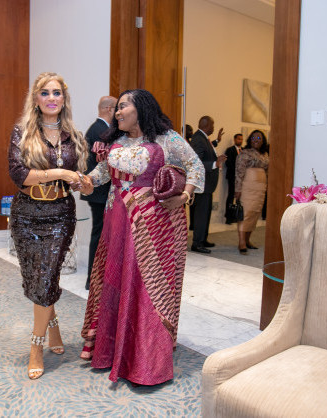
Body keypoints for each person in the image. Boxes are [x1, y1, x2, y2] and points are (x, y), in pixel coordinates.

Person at [80, 89, 204, 386]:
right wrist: (85, 181)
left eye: (123, 106)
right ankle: (112, 351)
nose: (117, 112)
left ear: (141, 109)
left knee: (145, 284)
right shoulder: (117, 141)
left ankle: (146, 361)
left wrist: (185, 196)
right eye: (117, 108)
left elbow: (195, 166)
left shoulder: (167, 139)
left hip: (153, 225)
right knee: (115, 279)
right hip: (116, 221)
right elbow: (102, 173)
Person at [8, 72, 93, 380]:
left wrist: (84, 184)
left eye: (57, 93)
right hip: (26, 214)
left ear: (64, 99)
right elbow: (19, 174)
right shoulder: (22, 132)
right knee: (38, 278)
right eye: (45, 93)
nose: (52, 98)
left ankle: (36, 346)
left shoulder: (75, 136)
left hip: (60, 215)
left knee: (45, 277)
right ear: (36, 99)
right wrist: (59, 172)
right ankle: (53, 327)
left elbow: (80, 179)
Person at [81, 96, 117, 290]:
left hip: (98, 192)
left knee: (101, 233)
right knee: (99, 234)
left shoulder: (96, 129)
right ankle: (92, 279)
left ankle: (96, 277)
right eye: (117, 108)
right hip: (100, 192)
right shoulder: (101, 131)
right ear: (110, 109)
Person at [189, 116, 226, 254]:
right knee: (201, 215)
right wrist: (215, 163)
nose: (214, 127)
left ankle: (203, 239)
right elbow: (196, 163)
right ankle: (197, 243)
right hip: (202, 185)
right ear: (206, 125)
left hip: (208, 185)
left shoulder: (203, 138)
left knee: (206, 214)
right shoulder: (198, 139)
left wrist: (217, 141)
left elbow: (208, 150)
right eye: (212, 125)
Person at [234, 129, 269, 254]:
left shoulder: (265, 154)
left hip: (260, 188)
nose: (256, 140)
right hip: (247, 187)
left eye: (259, 138)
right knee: (246, 213)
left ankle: (248, 240)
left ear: (263, 141)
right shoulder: (245, 153)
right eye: (253, 138)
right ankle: (241, 242)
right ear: (250, 140)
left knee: (255, 214)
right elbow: (239, 172)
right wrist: (238, 189)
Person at [224, 133, 243, 224]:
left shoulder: (244, 150)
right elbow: (228, 163)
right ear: (235, 139)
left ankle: (238, 216)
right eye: (239, 139)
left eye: (241, 139)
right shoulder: (230, 150)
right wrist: (236, 173)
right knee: (231, 196)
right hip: (232, 177)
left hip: (242, 178)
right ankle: (229, 218)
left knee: (240, 197)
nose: (240, 141)